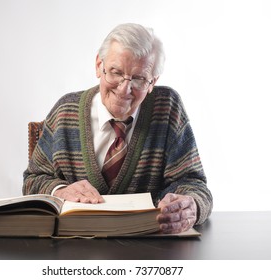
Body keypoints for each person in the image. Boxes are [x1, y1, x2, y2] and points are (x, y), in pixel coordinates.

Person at [23, 23, 212, 234]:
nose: (124, 89)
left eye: (139, 79)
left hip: (149, 251)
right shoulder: (66, 111)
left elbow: (194, 184)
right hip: (76, 248)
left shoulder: (167, 108)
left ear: (152, 82)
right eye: (115, 72)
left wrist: (191, 206)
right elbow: (32, 181)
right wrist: (60, 191)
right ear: (98, 65)